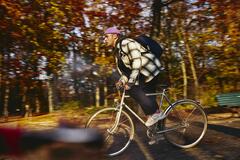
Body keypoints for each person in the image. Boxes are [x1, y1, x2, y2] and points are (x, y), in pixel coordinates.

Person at [104, 27, 165, 127]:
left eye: (106, 36)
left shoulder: (126, 43)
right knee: (148, 100)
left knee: (135, 91)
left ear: (115, 36)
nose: (104, 39)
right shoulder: (117, 52)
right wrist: (122, 80)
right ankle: (158, 131)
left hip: (150, 70)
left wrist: (131, 82)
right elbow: (125, 71)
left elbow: (137, 61)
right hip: (142, 74)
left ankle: (156, 115)